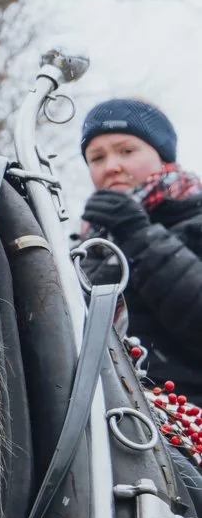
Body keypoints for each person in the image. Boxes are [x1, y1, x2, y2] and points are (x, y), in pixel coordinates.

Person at [79, 96, 202, 392]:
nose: (112, 166)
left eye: (127, 151)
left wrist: (138, 235)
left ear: (164, 157)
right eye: (97, 158)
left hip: (186, 424)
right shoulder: (88, 246)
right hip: (106, 417)